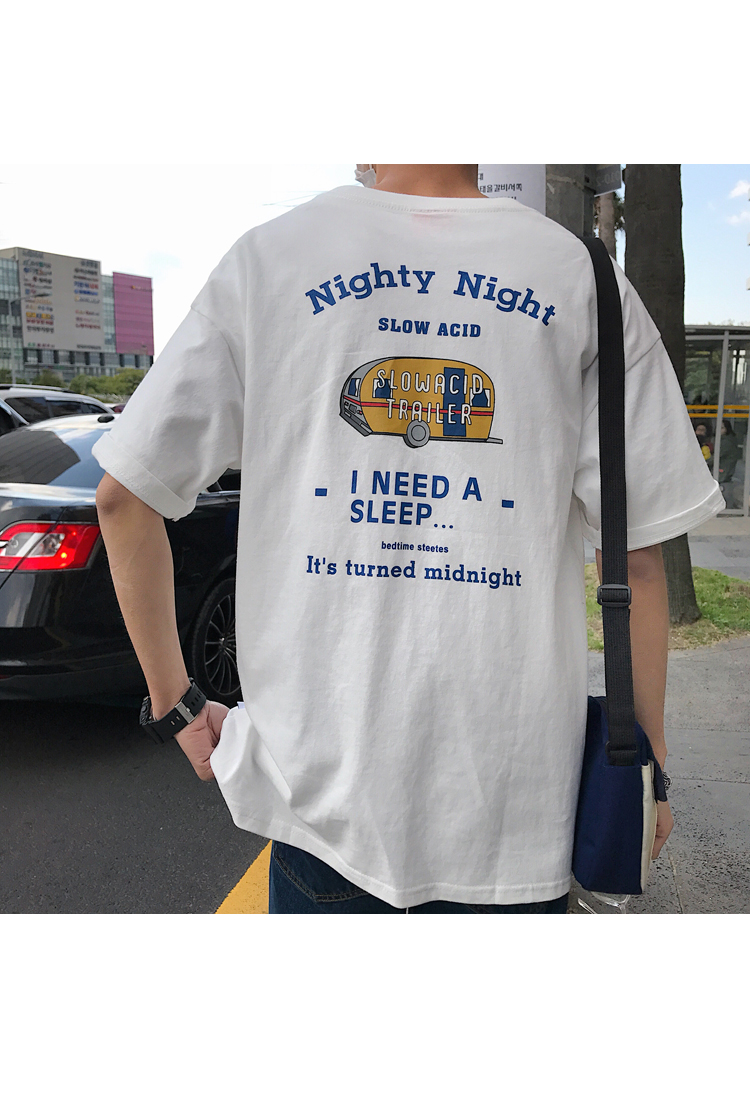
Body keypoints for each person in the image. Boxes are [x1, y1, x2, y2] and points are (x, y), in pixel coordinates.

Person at [93, 164, 725, 914]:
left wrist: (176, 702)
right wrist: (649, 767)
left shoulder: (270, 259)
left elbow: (124, 498)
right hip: (518, 809)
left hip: (320, 803)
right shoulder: (585, 279)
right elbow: (640, 559)